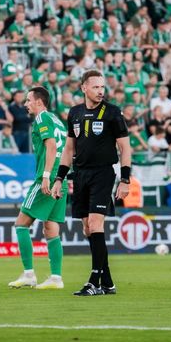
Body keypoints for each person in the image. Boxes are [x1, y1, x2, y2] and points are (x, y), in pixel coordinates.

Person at [51, 69, 131, 296]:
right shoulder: (74, 113)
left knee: (96, 225)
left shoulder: (113, 113)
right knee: (87, 228)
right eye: (95, 87)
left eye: (102, 87)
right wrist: (59, 178)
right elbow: (69, 149)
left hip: (103, 174)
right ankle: (107, 281)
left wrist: (125, 179)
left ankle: (94, 281)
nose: (100, 91)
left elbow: (125, 148)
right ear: (84, 88)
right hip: (80, 174)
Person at [8, 86, 68, 290]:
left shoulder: (42, 118)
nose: (25, 104)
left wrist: (46, 176)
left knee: (21, 224)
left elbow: (51, 146)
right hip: (61, 178)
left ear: (39, 102)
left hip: (48, 177)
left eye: (28, 100)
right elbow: (66, 148)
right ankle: (56, 278)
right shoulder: (57, 120)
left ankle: (29, 275)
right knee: (51, 227)